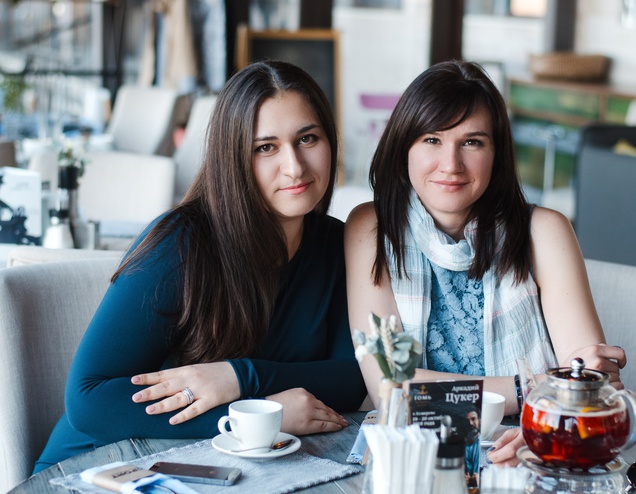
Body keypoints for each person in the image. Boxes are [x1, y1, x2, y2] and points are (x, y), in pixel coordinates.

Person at [34, 60, 367, 472]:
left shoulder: (337, 244)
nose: (295, 166)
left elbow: (351, 377)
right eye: (265, 147)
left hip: (220, 469)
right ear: (233, 158)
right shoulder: (181, 243)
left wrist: (239, 378)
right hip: (101, 467)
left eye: (308, 138)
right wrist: (261, 419)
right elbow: (90, 401)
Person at [344, 59, 626, 466]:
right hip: (414, 458)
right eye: (432, 139)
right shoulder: (371, 228)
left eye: (472, 142)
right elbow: (391, 389)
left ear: (496, 152)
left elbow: (586, 388)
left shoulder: (544, 231)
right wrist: (535, 388)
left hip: (530, 449)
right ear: (403, 145)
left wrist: (559, 404)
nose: (451, 164)